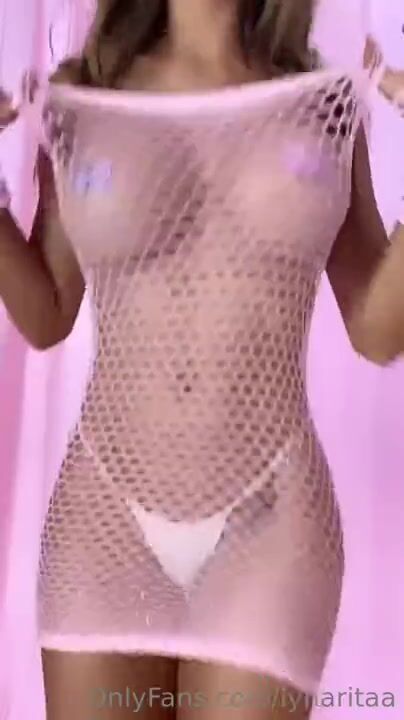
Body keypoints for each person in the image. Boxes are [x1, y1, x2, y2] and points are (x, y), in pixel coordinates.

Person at [0, 2, 403, 719]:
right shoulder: (82, 97)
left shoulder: (325, 102)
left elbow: (378, 330)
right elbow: (48, 311)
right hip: (103, 517)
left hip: (272, 519)